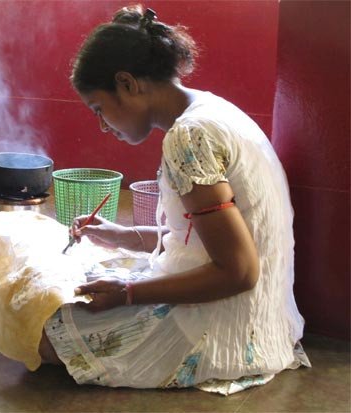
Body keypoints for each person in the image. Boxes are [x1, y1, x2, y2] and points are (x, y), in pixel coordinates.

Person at [38, 5, 310, 394]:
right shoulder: (211, 109)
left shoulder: (189, 136)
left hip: (223, 332)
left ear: (128, 83)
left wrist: (128, 294)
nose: (102, 125)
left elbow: (239, 271)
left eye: (99, 109)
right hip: (264, 321)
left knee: (38, 333)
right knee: (74, 294)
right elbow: (198, 239)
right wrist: (124, 236)